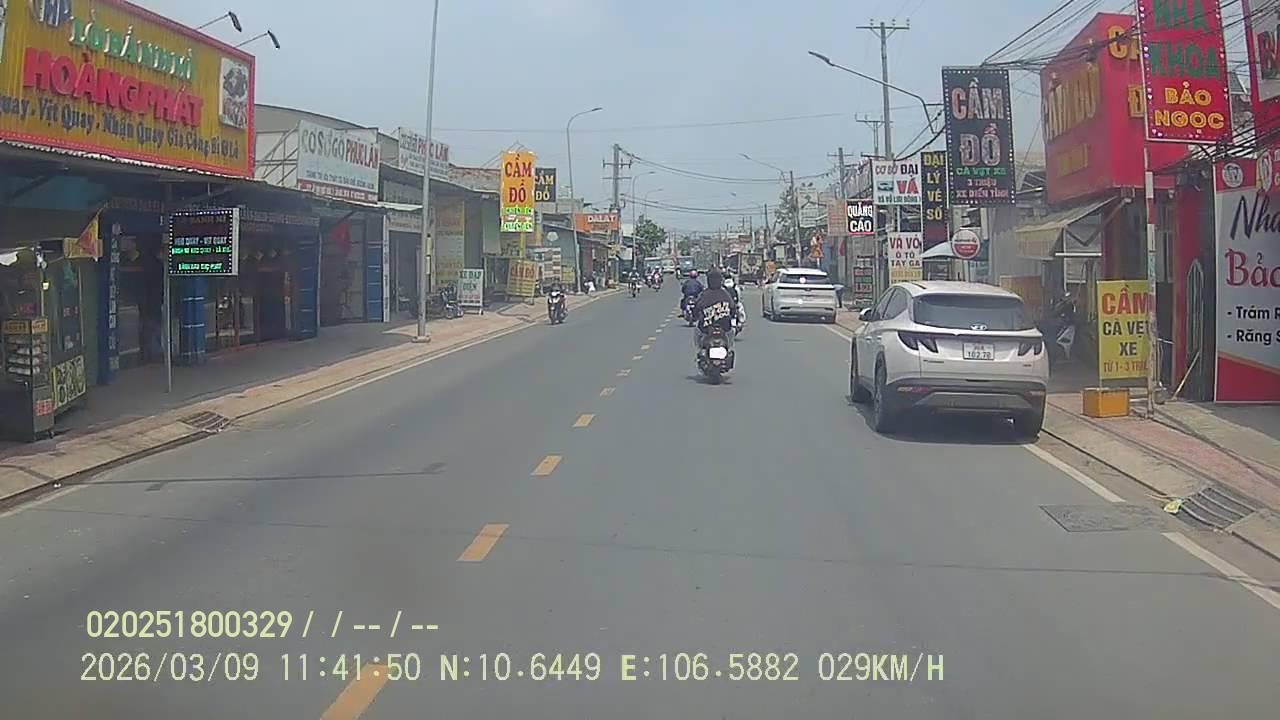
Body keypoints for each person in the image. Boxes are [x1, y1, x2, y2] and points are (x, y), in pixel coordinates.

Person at [692, 269, 736, 351]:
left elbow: (697, 308)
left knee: (697, 332)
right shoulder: (725, 294)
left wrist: (696, 316)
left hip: (706, 328)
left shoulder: (704, 294)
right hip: (725, 326)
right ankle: (729, 350)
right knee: (732, 332)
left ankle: (700, 350)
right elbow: (733, 308)